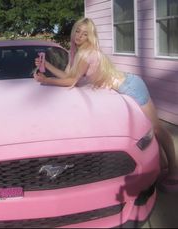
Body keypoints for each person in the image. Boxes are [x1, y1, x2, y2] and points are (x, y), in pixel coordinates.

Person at [33, 17, 178, 192]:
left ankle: (174, 172)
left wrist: (46, 79)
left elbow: (71, 81)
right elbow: (68, 77)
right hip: (122, 88)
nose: (79, 36)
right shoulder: (78, 53)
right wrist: (47, 65)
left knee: (157, 129)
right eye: (78, 31)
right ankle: (162, 168)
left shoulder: (86, 53)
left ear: (90, 37)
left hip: (130, 86)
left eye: (85, 34)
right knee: (148, 131)